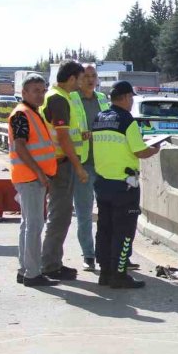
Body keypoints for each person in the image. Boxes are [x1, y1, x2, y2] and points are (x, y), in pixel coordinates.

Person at [91, 81, 161, 288]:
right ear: (126, 97)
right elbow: (140, 151)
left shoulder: (99, 118)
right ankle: (119, 274)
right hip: (125, 185)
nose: (131, 102)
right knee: (124, 231)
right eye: (131, 98)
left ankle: (105, 272)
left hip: (102, 183)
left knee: (105, 229)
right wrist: (155, 149)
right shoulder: (126, 120)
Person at [39, 60, 89, 281]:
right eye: (80, 78)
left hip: (58, 163)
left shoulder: (59, 96)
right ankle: (50, 265)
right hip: (61, 164)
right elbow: (63, 137)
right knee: (59, 216)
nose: (82, 83)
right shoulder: (58, 99)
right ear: (71, 78)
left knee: (61, 215)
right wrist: (78, 167)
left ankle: (53, 262)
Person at [9, 74, 59, 287]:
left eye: (42, 90)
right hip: (30, 177)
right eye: (35, 91)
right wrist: (39, 173)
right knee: (34, 225)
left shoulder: (30, 113)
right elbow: (20, 146)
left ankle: (25, 270)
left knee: (28, 224)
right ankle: (32, 273)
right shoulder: (22, 114)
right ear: (24, 93)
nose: (41, 94)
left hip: (29, 176)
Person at [71, 63, 110, 271]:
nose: (90, 79)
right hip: (83, 163)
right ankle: (88, 254)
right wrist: (81, 135)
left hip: (104, 163)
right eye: (86, 76)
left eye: (93, 76)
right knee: (84, 213)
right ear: (78, 79)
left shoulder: (102, 99)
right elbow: (66, 131)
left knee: (107, 211)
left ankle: (107, 253)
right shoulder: (72, 99)